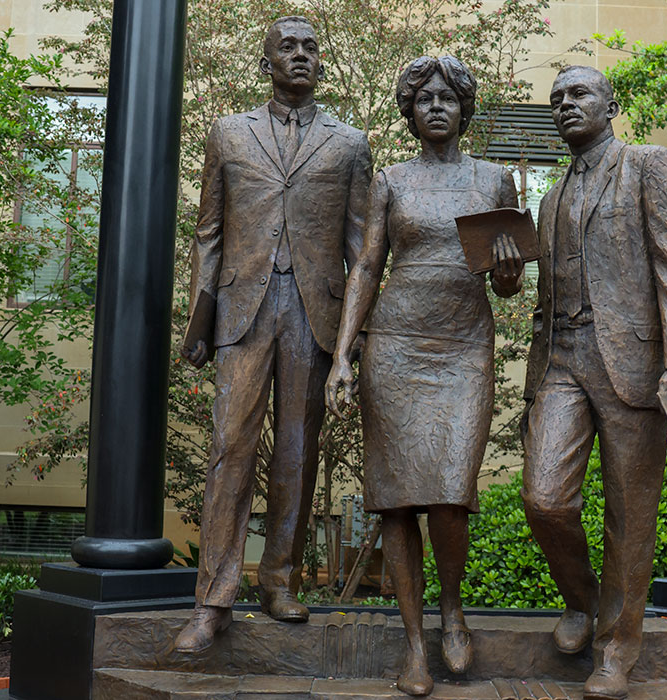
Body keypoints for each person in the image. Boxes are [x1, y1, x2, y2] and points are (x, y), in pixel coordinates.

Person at [325, 55, 523, 696]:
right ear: (410, 113)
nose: (436, 105)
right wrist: (341, 357)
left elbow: (508, 283)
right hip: (396, 345)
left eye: (448, 97)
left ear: (464, 108)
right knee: (397, 498)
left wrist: (513, 267)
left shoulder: (495, 180)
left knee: (450, 491)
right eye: (424, 98)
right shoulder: (391, 181)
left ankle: (453, 609)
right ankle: (414, 644)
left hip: (464, 347)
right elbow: (367, 267)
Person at [175, 16, 372, 653]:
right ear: (266, 62)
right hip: (242, 310)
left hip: (313, 314)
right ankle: (212, 600)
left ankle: (280, 580)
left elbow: (362, 251)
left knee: (297, 450)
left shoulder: (349, 143)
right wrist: (199, 318)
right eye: (287, 47)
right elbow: (209, 231)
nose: (300, 56)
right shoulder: (229, 133)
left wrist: (351, 341)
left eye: (311, 47)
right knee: (230, 447)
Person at [520, 65, 667, 700]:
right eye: (556, 99)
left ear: (610, 103)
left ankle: (617, 647)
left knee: (631, 513)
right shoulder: (548, 199)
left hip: (633, 362)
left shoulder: (646, 164)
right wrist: (531, 384)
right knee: (544, 498)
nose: (565, 105)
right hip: (563, 363)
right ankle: (584, 601)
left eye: (578, 94)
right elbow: (543, 301)